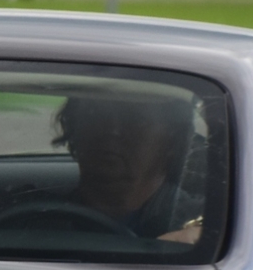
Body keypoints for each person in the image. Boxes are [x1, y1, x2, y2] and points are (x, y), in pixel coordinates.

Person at [57, 95, 200, 244]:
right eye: (95, 115)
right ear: (73, 127)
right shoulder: (35, 220)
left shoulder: (203, 227)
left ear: (172, 138)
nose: (111, 130)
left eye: (135, 119)